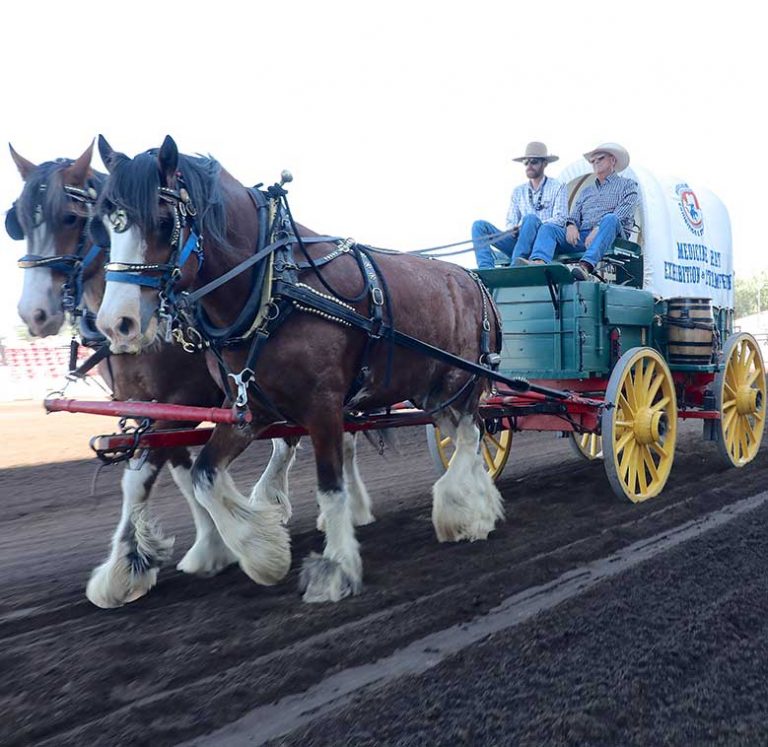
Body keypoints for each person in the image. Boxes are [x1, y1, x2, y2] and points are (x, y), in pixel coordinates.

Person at [529, 142, 639, 280]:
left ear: (613, 160)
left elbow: (623, 212)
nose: (595, 163)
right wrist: (571, 225)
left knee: (610, 218)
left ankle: (585, 266)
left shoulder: (628, 185)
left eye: (600, 159)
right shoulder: (586, 191)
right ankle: (538, 263)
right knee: (548, 228)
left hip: (612, 236)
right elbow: (574, 215)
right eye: (593, 161)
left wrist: (598, 228)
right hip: (584, 237)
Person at [472, 142, 568, 269]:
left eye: (534, 162)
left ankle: (514, 268)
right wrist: (513, 229)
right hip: (519, 242)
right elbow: (511, 221)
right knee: (479, 226)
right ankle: (485, 270)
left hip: (543, 245)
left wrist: (532, 225)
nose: (529, 166)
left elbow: (560, 218)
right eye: (526, 163)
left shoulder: (558, 186)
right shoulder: (518, 191)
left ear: (544, 164)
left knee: (531, 219)